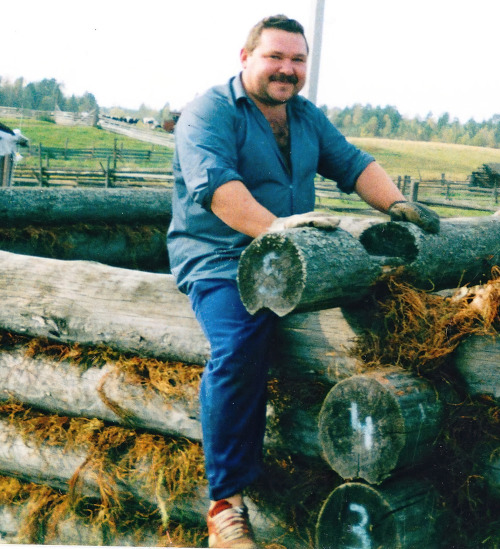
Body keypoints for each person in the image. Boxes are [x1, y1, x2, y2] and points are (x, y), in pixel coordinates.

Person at [167, 14, 439, 548]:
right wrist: (273, 227)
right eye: (275, 57)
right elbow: (217, 189)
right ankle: (226, 505)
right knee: (242, 343)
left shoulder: (305, 116)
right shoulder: (209, 112)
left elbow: (354, 163)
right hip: (221, 256)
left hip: (295, 256)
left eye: (297, 60)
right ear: (245, 58)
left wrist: (398, 203)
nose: (287, 70)